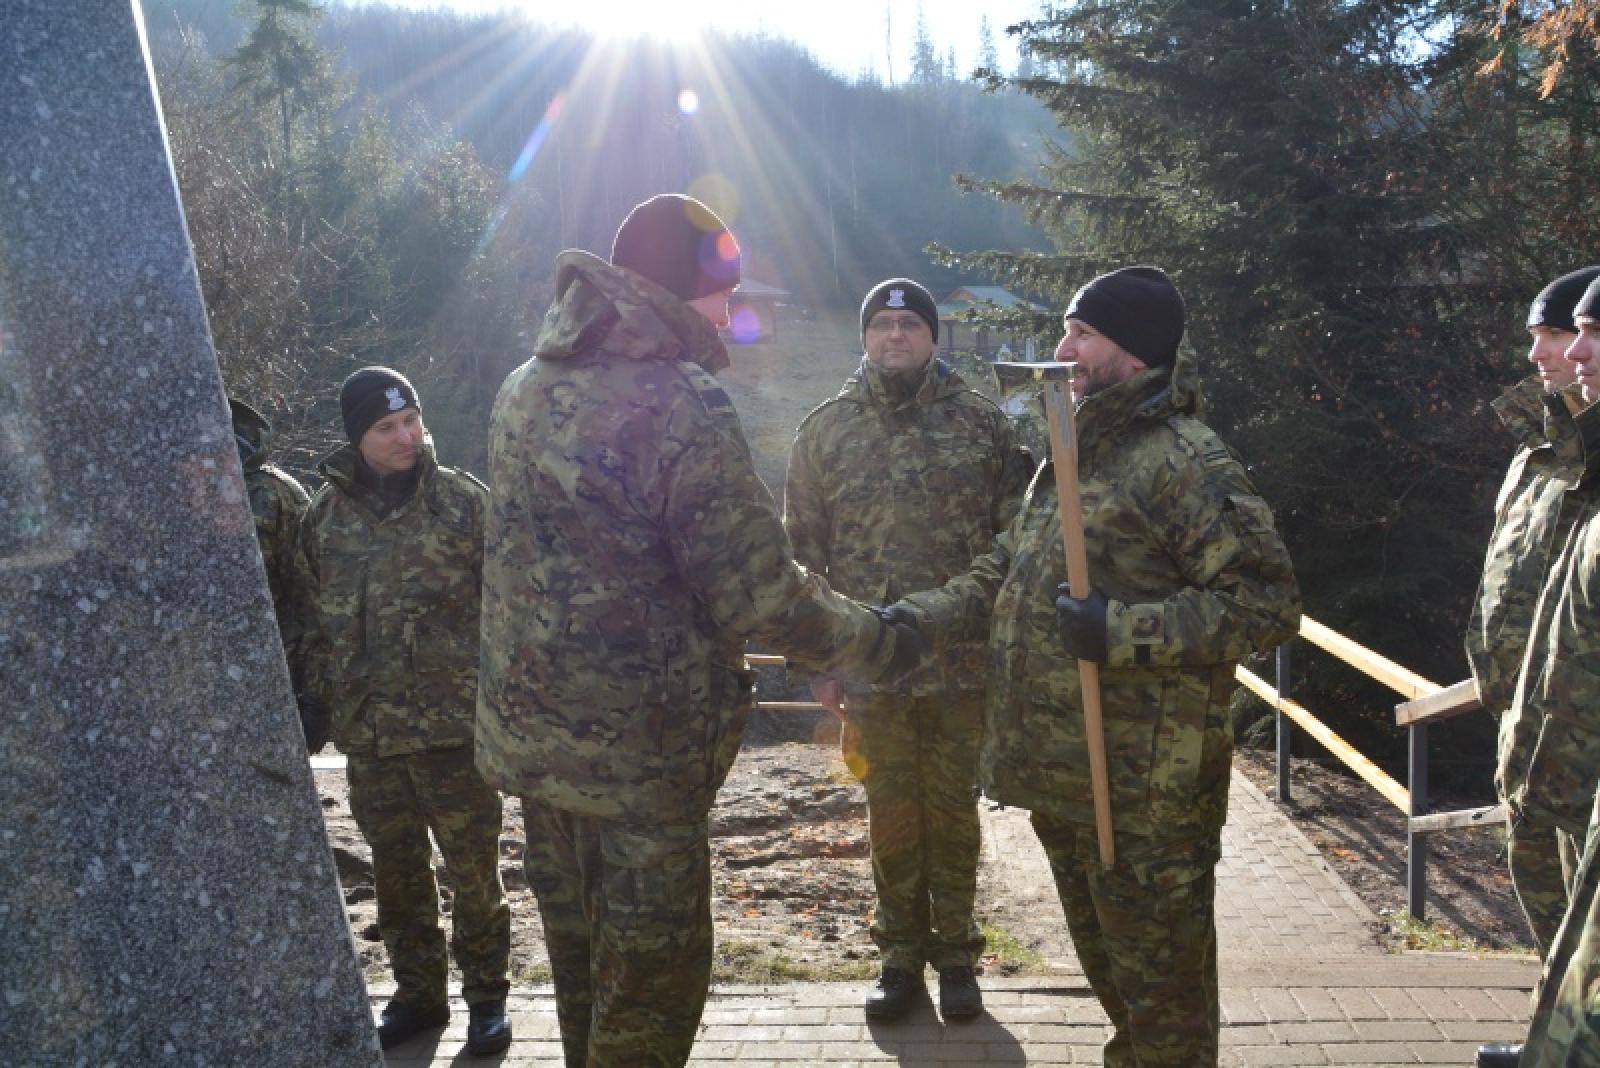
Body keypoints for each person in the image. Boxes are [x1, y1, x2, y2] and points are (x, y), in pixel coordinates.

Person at [476, 193, 925, 1067]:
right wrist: (882, 640)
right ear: (683, 292)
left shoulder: (521, 389)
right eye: (722, 292)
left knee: (583, 995)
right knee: (647, 1009)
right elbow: (761, 596)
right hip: (641, 767)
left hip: (539, 761)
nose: (730, 312)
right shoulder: (676, 401)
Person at [886, 266, 1301, 1066]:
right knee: (1119, 987)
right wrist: (910, 622)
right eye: (1066, 328)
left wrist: (1122, 630)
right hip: (1068, 779)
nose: (1061, 347)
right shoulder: (1075, 447)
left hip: (1143, 791)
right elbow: (1009, 565)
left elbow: (1265, 604)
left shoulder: (1182, 460)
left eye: (1082, 334)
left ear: (1133, 352)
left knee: (1164, 1006)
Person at [782, 277, 1033, 1022]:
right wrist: (818, 662)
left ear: (932, 337)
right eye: (883, 323)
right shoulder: (824, 431)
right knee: (889, 810)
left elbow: (1013, 543)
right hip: (869, 667)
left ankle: (957, 955)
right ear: (865, 336)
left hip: (958, 666)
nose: (896, 335)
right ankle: (898, 958)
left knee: (954, 811)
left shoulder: (982, 425)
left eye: (911, 323)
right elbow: (801, 555)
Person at [292, 367, 511, 1055]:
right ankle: (419, 996)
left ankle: (487, 1001)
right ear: (358, 438)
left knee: (475, 872)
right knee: (397, 877)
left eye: (411, 419)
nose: (405, 436)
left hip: (455, 732)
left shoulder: (463, 504)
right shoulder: (322, 519)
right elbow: (310, 623)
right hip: (372, 737)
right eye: (386, 427)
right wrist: (321, 701)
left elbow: (510, 608)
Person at [1468, 268, 1600, 955]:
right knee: (1556, 934)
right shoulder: (1537, 450)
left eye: (1561, 332)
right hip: (1528, 725)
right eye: (1545, 334)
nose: (1544, 352)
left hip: (1578, 742)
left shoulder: (1587, 458)